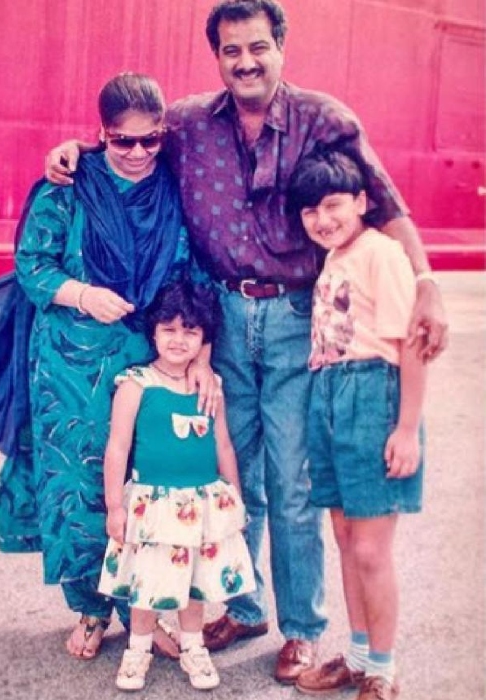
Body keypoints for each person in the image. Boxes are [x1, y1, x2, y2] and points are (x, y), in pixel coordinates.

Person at [44, 0, 447, 683]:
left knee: (291, 482)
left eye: (258, 47)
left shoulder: (324, 119)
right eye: (231, 50)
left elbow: (385, 202)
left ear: (280, 46)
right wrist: (77, 149)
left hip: (295, 314)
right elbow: (132, 140)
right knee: (231, 472)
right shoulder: (190, 122)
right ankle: (244, 604)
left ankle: (302, 630)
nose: (246, 61)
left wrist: (427, 281)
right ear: (218, 57)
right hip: (225, 316)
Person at [0, 72, 217, 663]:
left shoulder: (173, 189)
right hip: (69, 367)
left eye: (149, 140)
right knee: (80, 489)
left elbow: (193, 280)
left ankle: (146, 610)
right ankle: (91, 610)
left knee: (148, 488)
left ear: (162, 134)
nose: (137, 152)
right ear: (101, 133)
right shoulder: (67, 186)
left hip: (150, 361)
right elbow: (32, 264)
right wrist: (83, 294)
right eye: (122, 140)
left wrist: (202, 358)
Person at [286, 150, 426, 700]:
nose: (322, 220)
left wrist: (407, 428)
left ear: (362, 202)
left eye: (332, 205)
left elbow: (411, 341)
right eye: (309, 211)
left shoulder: (381, 253)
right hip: (328, 393)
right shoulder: (334, 258)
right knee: (345, 539)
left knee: (370, 549)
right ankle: (359, 655)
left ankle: (383, 670)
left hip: (372, 395)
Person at [97, 281, 255, 691]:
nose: (178, 340)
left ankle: (193, 646)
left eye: (190, 331)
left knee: (194, 583)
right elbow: (117, 447)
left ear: (204, 339)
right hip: (152, 505)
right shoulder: (136, 383)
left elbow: (223, 444)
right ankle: (138, 649)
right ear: (153, 331)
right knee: (148, 583)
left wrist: (234, 498)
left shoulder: (210, 385)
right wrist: (115, 507)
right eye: (168, 329)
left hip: (201, 503)